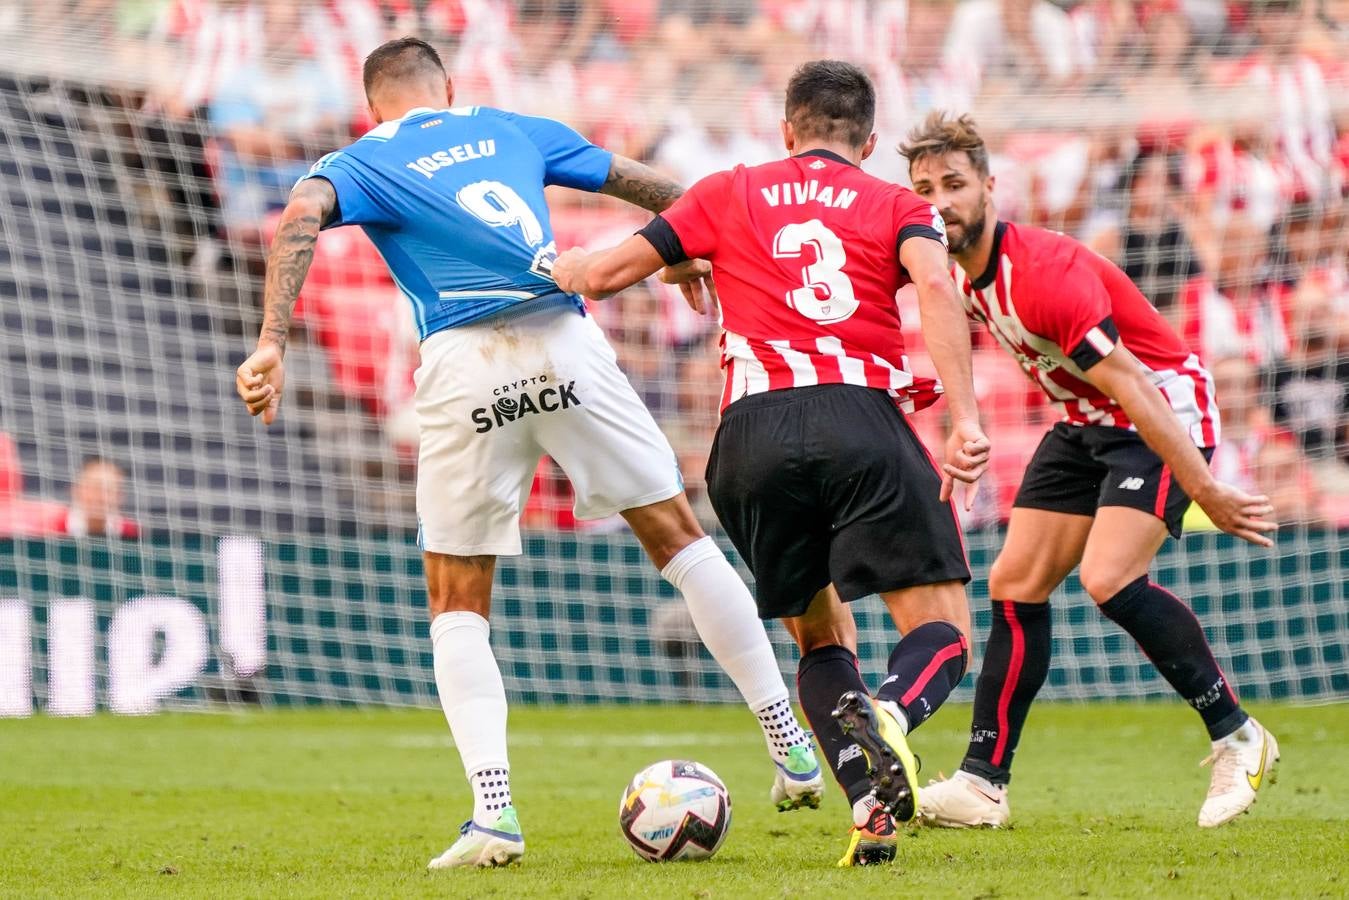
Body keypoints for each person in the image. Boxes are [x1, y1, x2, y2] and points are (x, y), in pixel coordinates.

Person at [233, 37, 823, 871]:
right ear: (449, 88)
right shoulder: (515, 127)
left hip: (464, 365)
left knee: (457, 598)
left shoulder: (360, 158)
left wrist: (270, 343)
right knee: (680, 540)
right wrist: (696, 250)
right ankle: (788, 740)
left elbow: (298, 218)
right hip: (565, 340)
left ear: (375, 106)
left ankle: (494, 816)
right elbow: (655, 189)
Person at [552, 60, 990, 866]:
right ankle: (890, 711)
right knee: (942, 632)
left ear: (787, 130)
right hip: (857, 417)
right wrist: (964, 416)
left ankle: (870, 812)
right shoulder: (898, 204)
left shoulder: (726, 190)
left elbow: (606, 274)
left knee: (821, 642)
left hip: (748, 438)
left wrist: (559, 267)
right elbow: (934, 283)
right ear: (867, 141)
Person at [899, 111, 1280, 831]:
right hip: (1084, 424)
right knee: (1014, 585)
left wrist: (1203, 489)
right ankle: (982, 784)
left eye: (954, 183)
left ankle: (1239, 736)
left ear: (989, 185)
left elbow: (1134, 382)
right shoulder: (953, 265)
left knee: (1108, 579)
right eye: (925, 188)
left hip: (1155, 410)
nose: (940, 200)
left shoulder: (1042, 273)